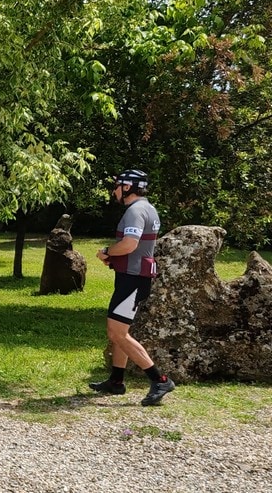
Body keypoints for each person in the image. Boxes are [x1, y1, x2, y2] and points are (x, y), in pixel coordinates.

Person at [90, 169, 175, 406]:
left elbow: (129, 244)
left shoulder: (135, 211)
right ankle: (116, 381)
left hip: (132, 281)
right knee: (122, 332)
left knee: (116, 333)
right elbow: (138, 249)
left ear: (127, 187)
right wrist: (115, 259)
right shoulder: (148, 208)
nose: (114, 191)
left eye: (117, 186)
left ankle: (160, 380)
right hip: (135, 278)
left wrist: (106, 252)